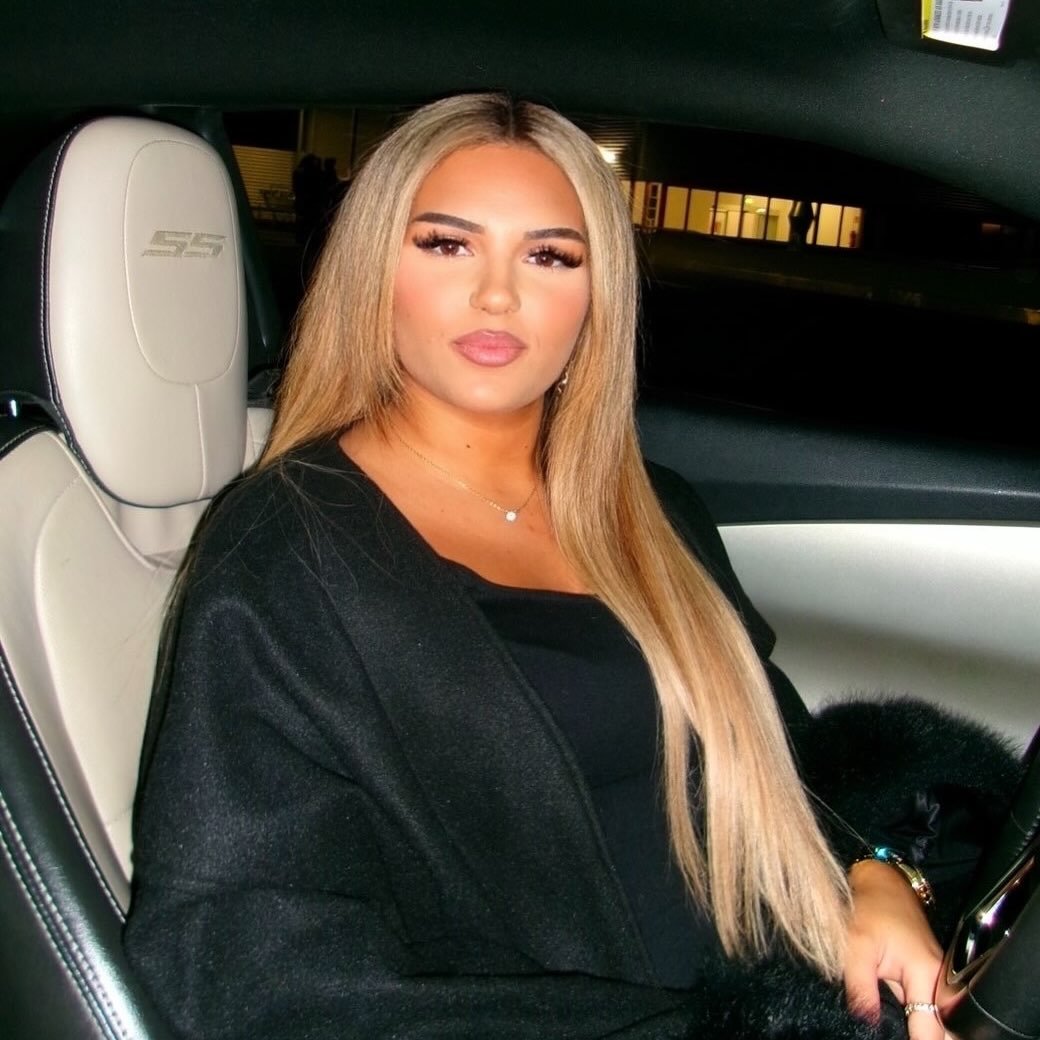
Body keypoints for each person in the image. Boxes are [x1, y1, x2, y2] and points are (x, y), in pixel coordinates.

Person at [124, 94, 1015, 1040]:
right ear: (373, 268)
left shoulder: (653, 511)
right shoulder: (281, 553)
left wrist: (871, 874)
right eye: (446, 244)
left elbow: (773, 754)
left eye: (550, 256)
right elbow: (244, 956)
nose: (497, 295)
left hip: (795, 986)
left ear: (598, 296)